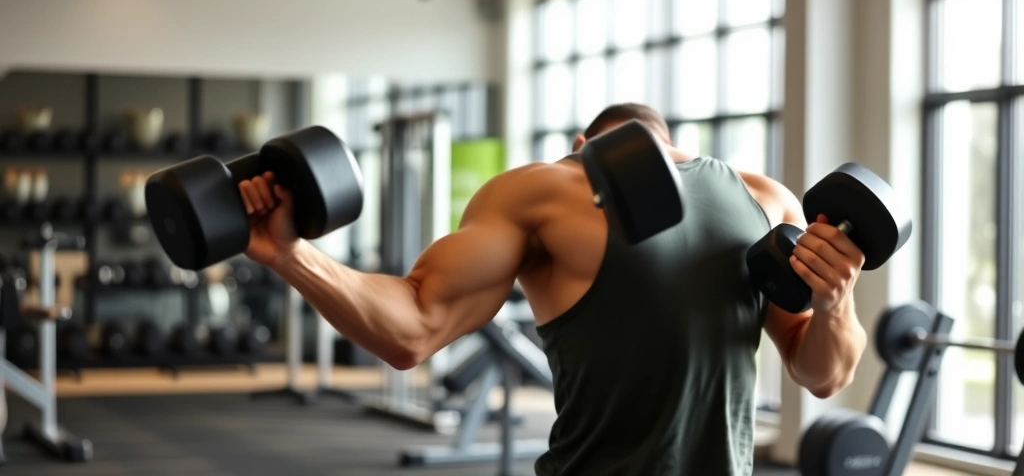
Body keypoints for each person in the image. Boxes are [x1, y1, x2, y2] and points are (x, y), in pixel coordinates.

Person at [238, 103, 868, 476]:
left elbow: (414, 328)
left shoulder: (536, 189)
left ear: (580, 149)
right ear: (673, 142)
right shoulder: (765, 199)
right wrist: (835, 304)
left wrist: (289, 252)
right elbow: (823, 374)